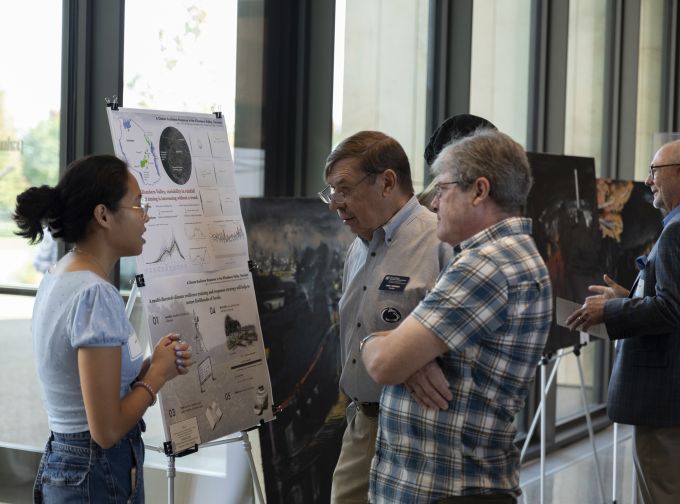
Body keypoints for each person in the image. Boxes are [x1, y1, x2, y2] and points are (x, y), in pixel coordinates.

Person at [361, 129, 553, 503]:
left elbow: (385, 364)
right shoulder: (511, 255)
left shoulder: (486, 265)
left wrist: (376, 343)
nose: (433, 203)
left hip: (448, 488)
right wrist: (409, 359)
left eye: (443, 189)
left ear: (479, 191)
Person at [13, 154, 193, 503]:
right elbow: (107, 430)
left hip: (72, 464)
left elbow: (90, 392)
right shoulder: (95, 294)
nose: (146, 216)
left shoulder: (61, 274)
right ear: (103, 215)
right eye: (138, 204)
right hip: (95, 473)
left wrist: (151, 365)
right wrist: (156, 376)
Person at [319, 131, 453, 503]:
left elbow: (466, 340)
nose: (335, 204)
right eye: (330, 192)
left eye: (343, 189)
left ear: (387, 182)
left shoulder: (439, 242)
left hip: (418, 429)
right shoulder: (358, 248)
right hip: (362, 423)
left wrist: (413, 360)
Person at [566, 140, 680, 504]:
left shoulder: (675, 231)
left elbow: (670, 310)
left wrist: (610, 311)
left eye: (654, 171)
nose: (647, 181)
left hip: (663, 401)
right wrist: (626, 298)